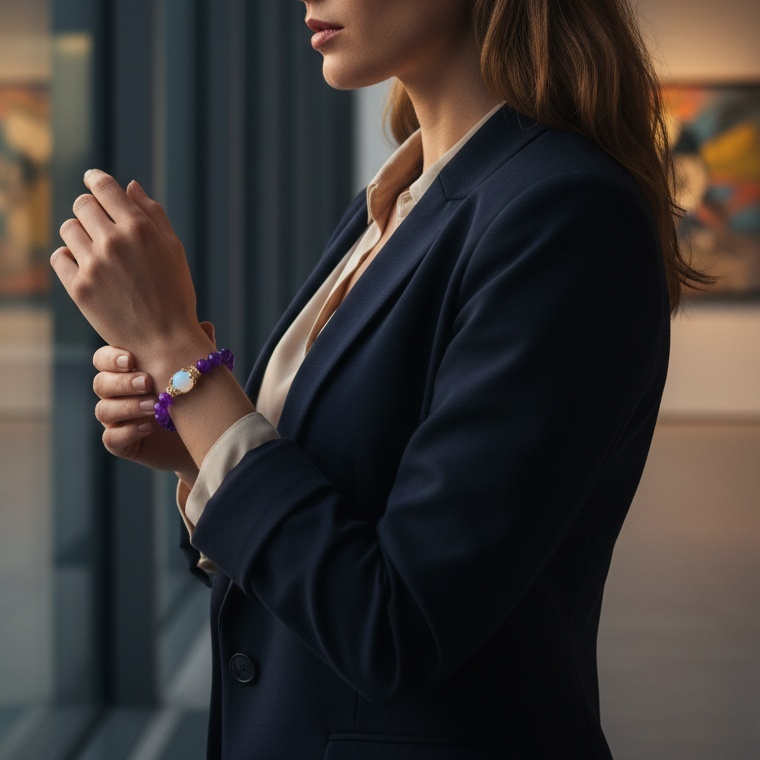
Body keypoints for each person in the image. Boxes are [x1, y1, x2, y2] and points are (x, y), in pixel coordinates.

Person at [51, 1, 708, 757]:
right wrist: (198, 446)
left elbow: (396, 628)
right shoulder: (395, 202)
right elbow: (353, 507)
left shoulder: (564, 212)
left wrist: (178, 356)